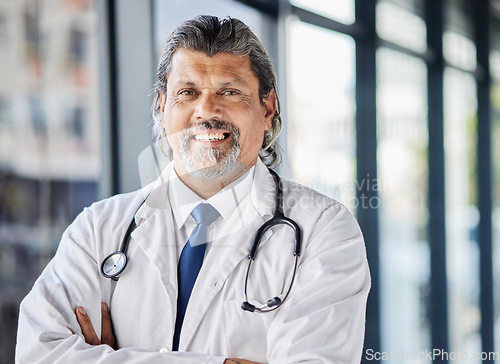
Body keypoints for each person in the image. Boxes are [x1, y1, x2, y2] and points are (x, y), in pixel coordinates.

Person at [16, 15, 370, 364]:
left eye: (229, 92)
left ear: (267, 107)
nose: (206, 111)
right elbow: (38, 353)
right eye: (187, 92)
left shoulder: (325, 231)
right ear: (162, 105)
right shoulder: (98, 229)